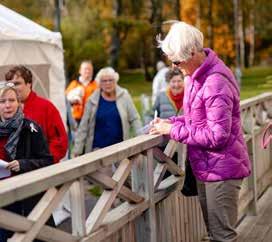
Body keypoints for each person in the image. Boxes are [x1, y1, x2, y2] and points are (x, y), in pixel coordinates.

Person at [149, 21, 251, 242]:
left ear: (192, 52)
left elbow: (217, 135)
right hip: (207, 168)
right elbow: (196, 118)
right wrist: (171, 121)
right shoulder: (194, 76)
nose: (174, 66)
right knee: (214, 234)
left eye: (176, 61)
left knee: (223, 236)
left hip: (222, 170)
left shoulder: (215, 82)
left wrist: (173, 129)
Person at [0, 83, 54, 242]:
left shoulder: (31, 128)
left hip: (23, 196)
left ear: (19, 103)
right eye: (2, 101)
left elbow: (47, 161)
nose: (7, 105)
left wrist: (23, 164)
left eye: (12, 100)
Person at [5, 66, 68, 163]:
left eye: (17, 83)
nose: (13, 87)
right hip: (11, 172)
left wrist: (41, 162)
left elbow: (60, 142)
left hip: (41, 172)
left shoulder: (46, 107)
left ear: (29, 83)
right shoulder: (5, 109)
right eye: (10, 84)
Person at [73, 67, 142, 156]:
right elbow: (83, 126)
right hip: (98, 151)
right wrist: (77, 150)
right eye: (104, 81)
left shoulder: (124, 96)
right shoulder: (92, 100)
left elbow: (135, 118)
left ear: (115, 81)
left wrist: (140, 139)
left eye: (110, 80)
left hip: (121, 150)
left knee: (123, 169)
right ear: (99, 83)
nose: (108, 83)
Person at [65, 60, 98, 124]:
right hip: (75, 119)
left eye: (90, 69)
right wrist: (73, 101)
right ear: (80, 71)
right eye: (85, 69)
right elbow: (65, 100)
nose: (88, 71)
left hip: (91, 119)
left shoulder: (96, 86)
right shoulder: (74, 84)